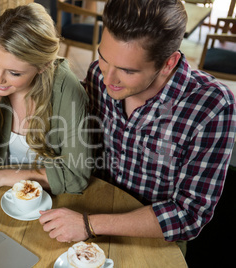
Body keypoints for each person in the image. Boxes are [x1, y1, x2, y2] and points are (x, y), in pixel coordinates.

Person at [39, 0, 236, 246]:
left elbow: (189, 215)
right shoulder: (98, 76)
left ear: (168, 64)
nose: (108, 78)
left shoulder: (212, 106)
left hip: (149, 238)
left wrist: (90, 225)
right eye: (103, 57)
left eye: (127, 71)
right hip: (83, 212)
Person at [0, 3, 92, 206]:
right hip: (0, 198)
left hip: (52, 202)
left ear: (43, 66)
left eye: (14, 73)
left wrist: (0, 177)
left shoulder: (65, 88)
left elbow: (75, 175)